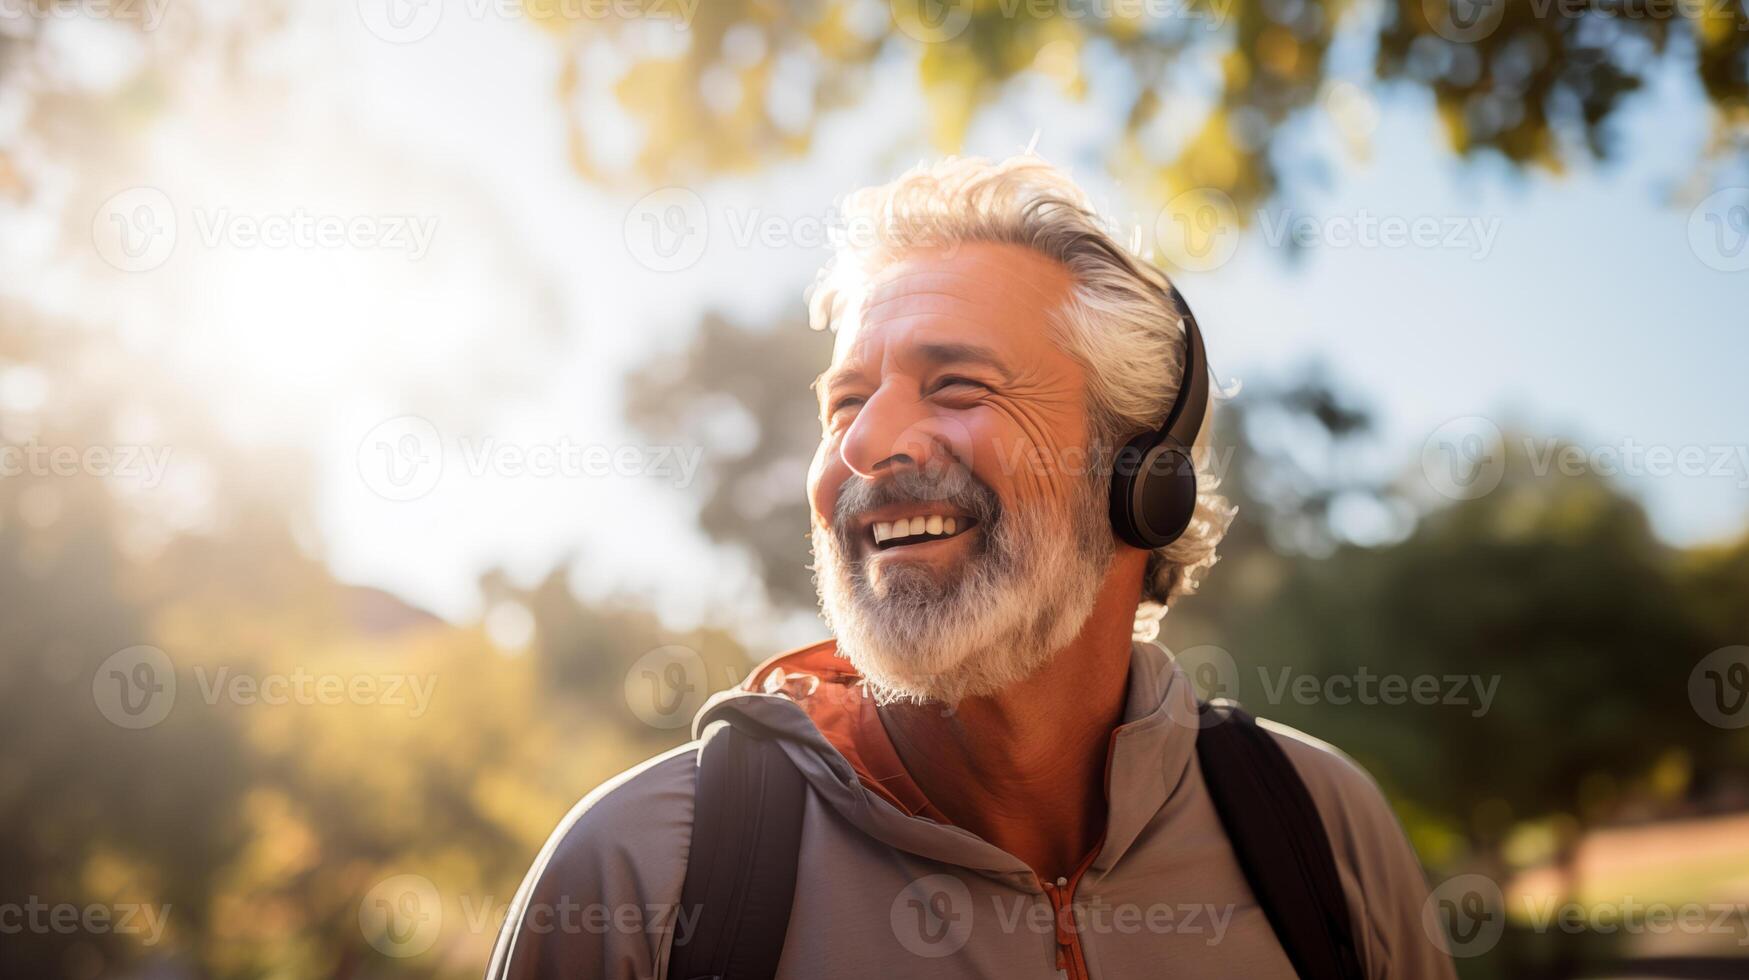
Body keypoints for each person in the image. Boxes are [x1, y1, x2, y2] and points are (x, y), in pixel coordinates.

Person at [487, 154, 1456, 979]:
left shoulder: (1320, 828)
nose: (863, 444)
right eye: (844, 402)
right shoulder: (642, 875)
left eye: (956, 385)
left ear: (1138, 476)